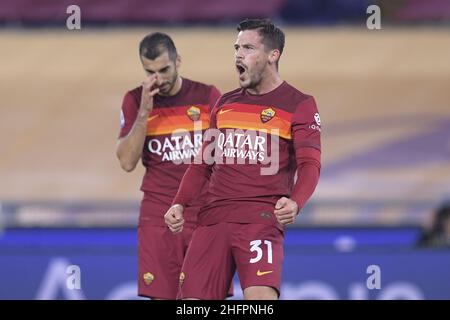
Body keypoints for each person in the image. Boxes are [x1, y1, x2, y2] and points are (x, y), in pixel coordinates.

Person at [165, 18, 322, 300]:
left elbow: (310, 164)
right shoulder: (225, 104)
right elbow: (202, 166)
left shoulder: (300, 104)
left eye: (248, 47)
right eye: (236, 47)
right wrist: (179, 202)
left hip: (260, 220)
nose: (238, 54)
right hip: (212, 221)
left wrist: (296, 201)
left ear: (273, 55)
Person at [116, 32, 222, 299]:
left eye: (164, 70)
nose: (159, 79)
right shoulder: (135, 101)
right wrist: (144, 113)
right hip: (158, 216)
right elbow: (127, 162)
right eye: (150, 72)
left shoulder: (208, 96)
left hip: (203, 215)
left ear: (178, 61)